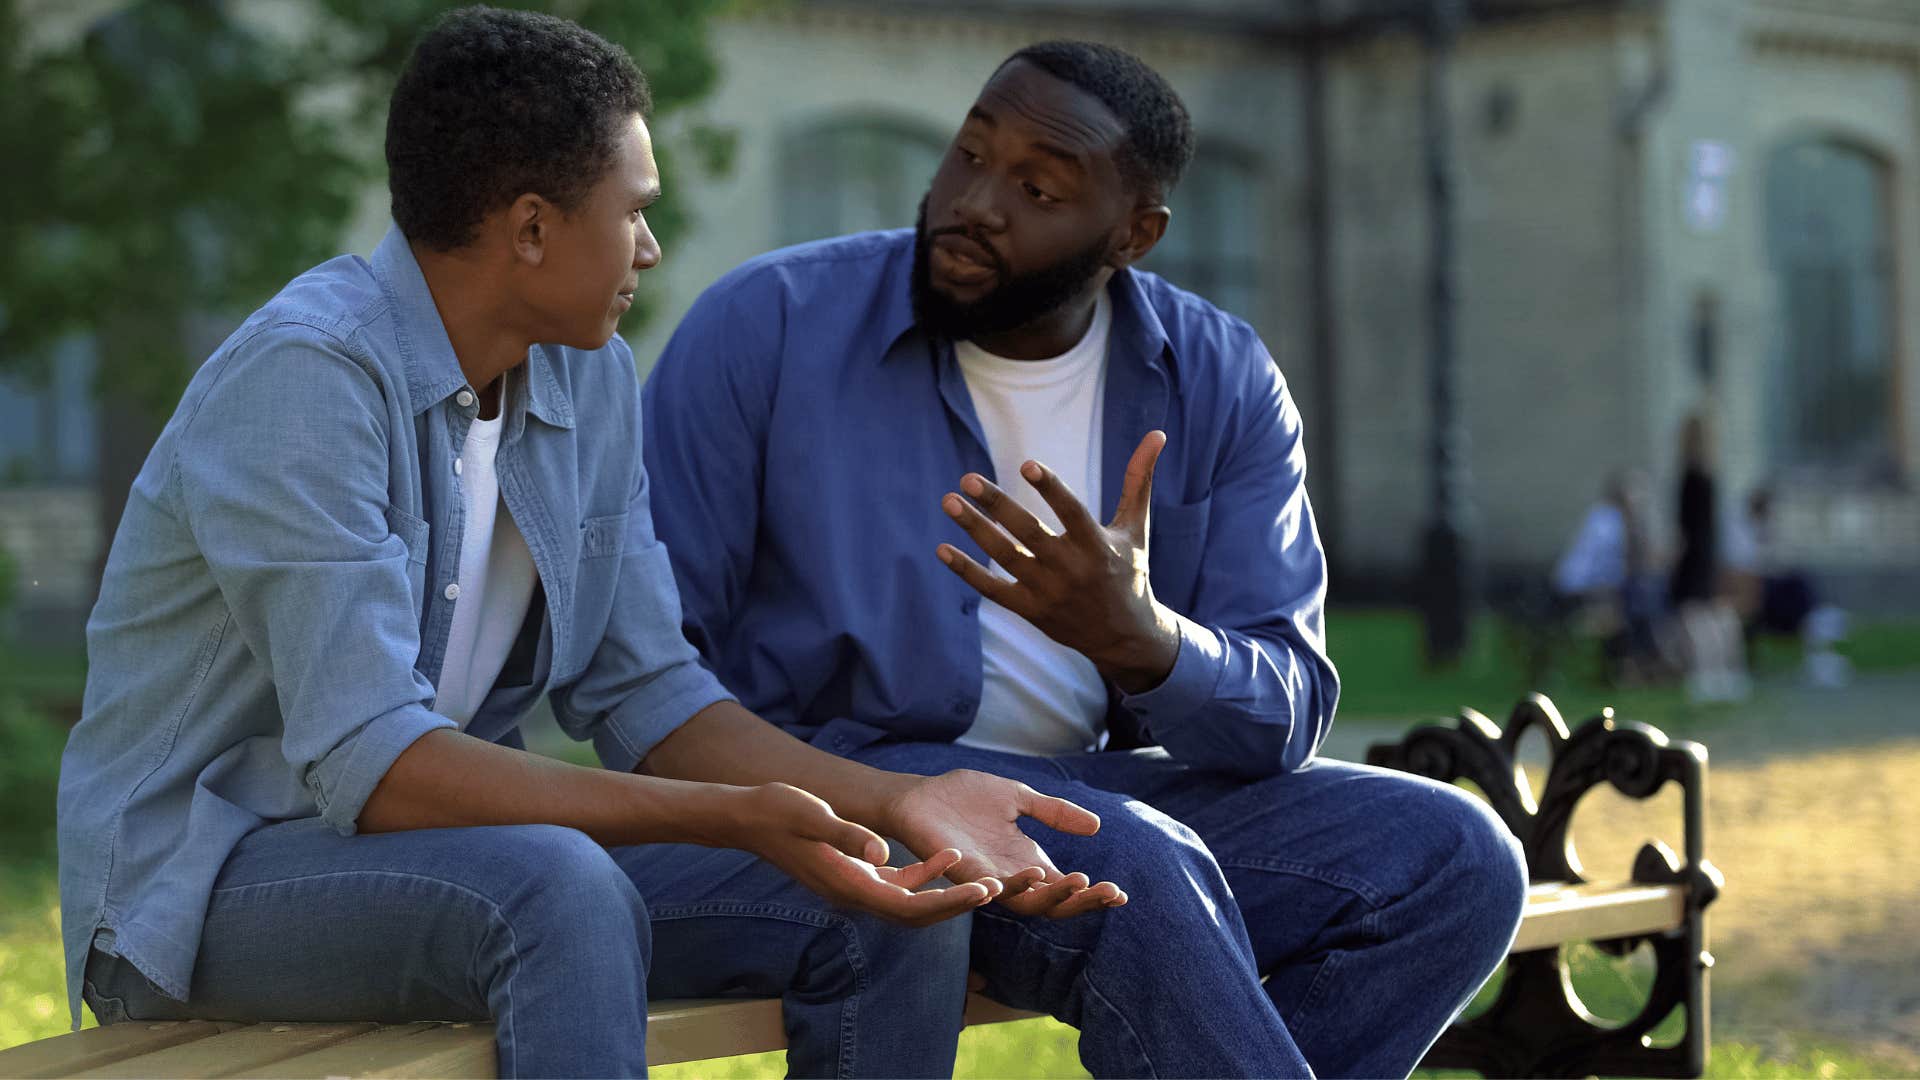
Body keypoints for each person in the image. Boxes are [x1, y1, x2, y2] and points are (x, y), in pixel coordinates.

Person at [56, 9, 1119, 1077]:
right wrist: (729, 818)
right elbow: (377, 765)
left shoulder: (585, 371)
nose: (652, 250)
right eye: (636, 212)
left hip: (443, 865)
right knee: (558, 888)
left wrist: (896, 802)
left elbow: (650, 690)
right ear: (530, 229)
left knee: (887, 891)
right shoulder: (307, 379)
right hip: (200, 892)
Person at [642, 40, 1530, 1078]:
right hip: (849, 786)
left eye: (1037, 187)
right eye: (968, 155)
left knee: (1455, 860)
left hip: (1098, 791)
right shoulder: (770, 328)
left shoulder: (1220, 377)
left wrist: (1148, 644)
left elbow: (1287, 702)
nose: (975, 202)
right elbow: (650, 670)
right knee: (1137, 858)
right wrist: (857, 796)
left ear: (1133, 233)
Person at [1669, 411, 1750, 702]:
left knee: (1694, 619)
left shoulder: (1691, 477)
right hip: (1709, 554)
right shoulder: (1711, 475)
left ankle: (1705, 675)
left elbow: (1684, 528)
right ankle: (1727, 672)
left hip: (1694, 556)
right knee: (1714, 617)